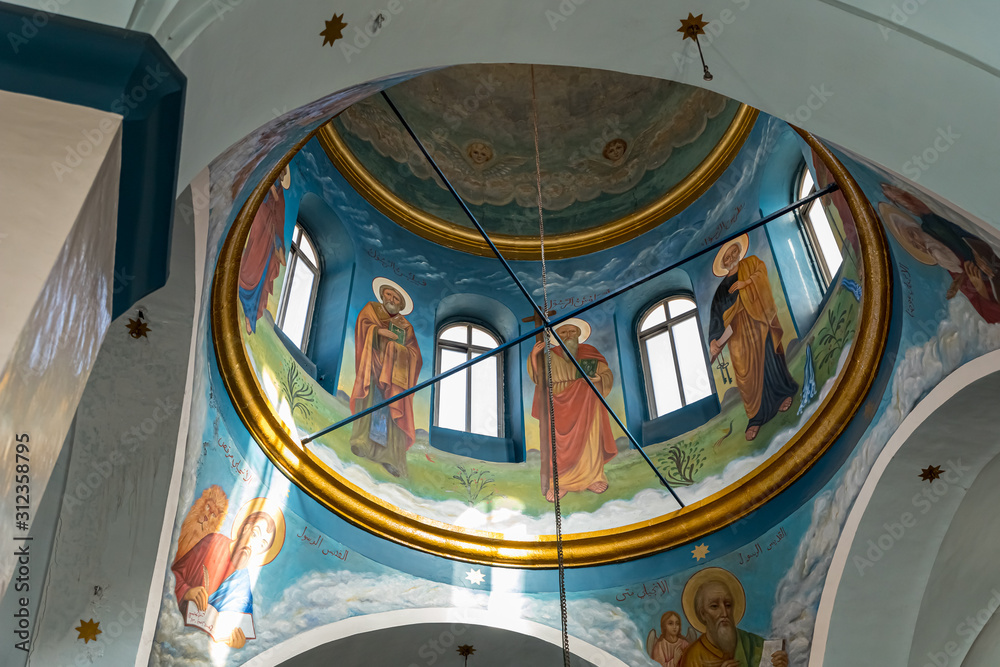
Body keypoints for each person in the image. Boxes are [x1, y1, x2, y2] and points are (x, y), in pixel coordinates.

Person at [708, 235, 798, 441]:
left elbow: (761, 274)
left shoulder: (751, 264)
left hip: (759, 323)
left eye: (733, 252)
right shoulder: (721, 290)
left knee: (769, 359)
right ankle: (756, 418)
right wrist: (714, 339)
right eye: (727, 257)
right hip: (738, 338)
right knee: (746, 376)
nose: (731, 258)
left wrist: (745, 283)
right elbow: (716, 317)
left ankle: (783, 393)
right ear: (723, 263)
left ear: (739, 251)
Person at [171, 500, 284, 649]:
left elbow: (242, 628)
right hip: (175, 627)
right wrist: (187, 591)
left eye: (262, 544)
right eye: (255, 534)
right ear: (245, 529)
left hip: (200, 647)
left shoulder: (243, 583)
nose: (253, 544)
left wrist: (237, 642)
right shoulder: (212, 543)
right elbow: (171, 576)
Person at [881, 183, 1000, 323]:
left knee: (937, 232)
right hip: (978, 263)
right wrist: (985, 259)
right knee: (940, 227)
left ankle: (913, 205)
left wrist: (980, 287)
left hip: (970, 274)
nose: (915, 239)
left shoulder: (943, 254)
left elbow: (990, 316)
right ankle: (914, 204)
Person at [528, 318, 617, 502]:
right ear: (557, 336)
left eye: (572, 332)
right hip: (557, 403)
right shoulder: (549, 356)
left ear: (579, 334)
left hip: (587, 402)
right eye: (563, 332)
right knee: (557, 445)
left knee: (589, 442)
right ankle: (559, 483)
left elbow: (606, 375)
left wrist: (597, 379)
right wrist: (535, 358)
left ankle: (592, 478)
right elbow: (540, 380)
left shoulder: (590, 353)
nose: (568, 336)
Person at [349, 278, 423, 478]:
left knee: (390, 412)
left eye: (396, 297)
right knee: (369, 403)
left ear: (400, 304)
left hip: (394, 379)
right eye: (389, 294)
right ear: (382, 296)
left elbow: (416, 355)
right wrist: (378, 331)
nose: (391, 299)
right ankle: (362, 442)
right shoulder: (371, 309)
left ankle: (390, 457)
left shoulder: (405, 326)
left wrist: (397, 349)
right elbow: (362, 327)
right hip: (372, 369)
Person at [680, 568, 788, 667]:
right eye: (714, 606)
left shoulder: (754, 644)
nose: (724, 613)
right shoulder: (693, 658)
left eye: (728, 605)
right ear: (702, 614)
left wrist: (779, 664)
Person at [238, 165, 291, 335]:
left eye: (282, 175)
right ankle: (239, 283)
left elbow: (280, 219)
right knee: (252, 259)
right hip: (261, 217)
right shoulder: (267, 176)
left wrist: (280, 245)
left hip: (271, 233)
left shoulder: (281, 193)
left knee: (263, 269)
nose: (281, 177)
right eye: (280, 173)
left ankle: (250, 316)